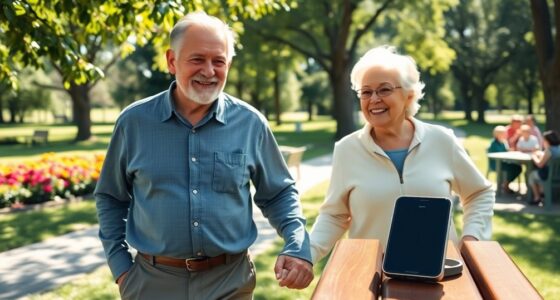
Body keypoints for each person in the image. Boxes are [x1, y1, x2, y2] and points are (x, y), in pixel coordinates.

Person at [94, 12, 313, 299]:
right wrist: (121, 267)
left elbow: (279, 193)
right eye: (197, 59)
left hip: (230, 282)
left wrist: (297, 244)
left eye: (218, 61)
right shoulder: (133, 123)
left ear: (229, 65)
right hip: (151, 284)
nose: (209, 71)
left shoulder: (250, 123)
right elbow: (111, 197)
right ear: (172, 61)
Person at [309, 45, 494, 264]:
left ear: (409, 95)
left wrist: (471, 240)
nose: (374, 99)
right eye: (366, 92)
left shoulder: (442, 140)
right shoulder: (346, 149)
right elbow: (335, 215)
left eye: (384, 90)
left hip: (439, 273)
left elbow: (479, 193)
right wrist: (305, 256)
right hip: (369, 275)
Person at [527, 130, 560, 205]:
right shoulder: (558, 148)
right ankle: (542, 192)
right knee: (536, 173)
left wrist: (533, 155)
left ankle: (537, 197)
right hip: (558, 174)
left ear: (547, 140)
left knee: (531, 175)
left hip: (549, 175)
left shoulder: (549, 150)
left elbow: (540, 164)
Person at [488, 125, 522, 194]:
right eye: (504, 133)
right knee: (511, 168)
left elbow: (506, 151)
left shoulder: (504, 142)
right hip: (496, 164)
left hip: (504, 162)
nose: (506, 135)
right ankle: (505, 186)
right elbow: (497, 154)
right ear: (498, 134)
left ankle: (505, 184)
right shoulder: (493, 143)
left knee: (518, 167)